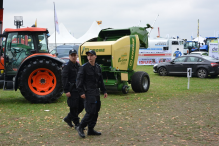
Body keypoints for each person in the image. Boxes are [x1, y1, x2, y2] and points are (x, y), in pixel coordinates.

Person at [76, 50, 108, 138]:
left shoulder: (98, 67)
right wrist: (81, 92)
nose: (89, 57)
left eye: (91, 55)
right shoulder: (84, 67)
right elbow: (79, 81)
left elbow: (100, 80)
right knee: (90, 111)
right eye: (88, 56)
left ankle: (91, 129)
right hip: (88, 93)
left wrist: (104, 91)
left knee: (96, 111)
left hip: (96, 92)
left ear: (95, 56)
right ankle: (81, 127)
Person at [62, 49, 84, 129]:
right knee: (74, 106)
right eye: (72, 55)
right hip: (71, 89)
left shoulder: (78, 66)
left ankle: (68, 118)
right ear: (69, 56)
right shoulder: (67, 66)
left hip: (79, 89)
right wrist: (66, 90)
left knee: (81, 105)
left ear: (77, 56)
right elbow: (64, 79)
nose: (74, 57)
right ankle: (77, 124)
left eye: (75, 55)